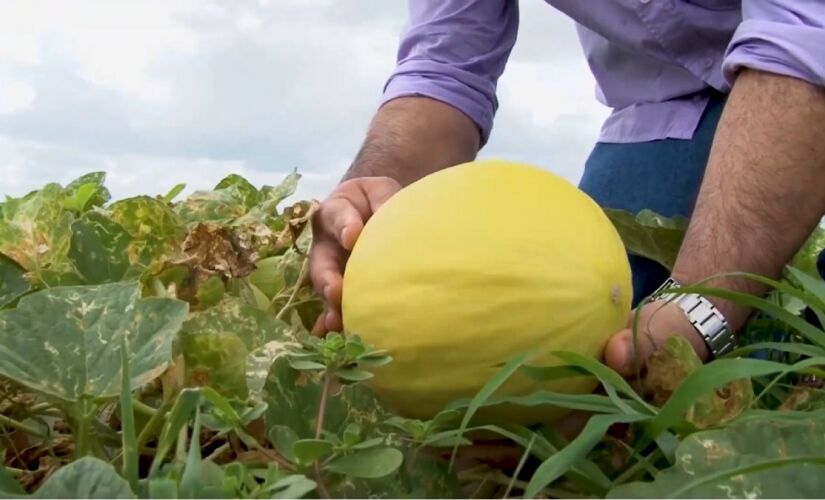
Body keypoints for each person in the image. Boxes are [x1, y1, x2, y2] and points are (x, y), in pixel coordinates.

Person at [308, 1, 825, 377]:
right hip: (664, 105)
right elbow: (444, 68)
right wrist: (368, 199)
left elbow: (807, 33)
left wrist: (702, 305)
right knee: (592, 330)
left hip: (805, 50)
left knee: (700, 334)